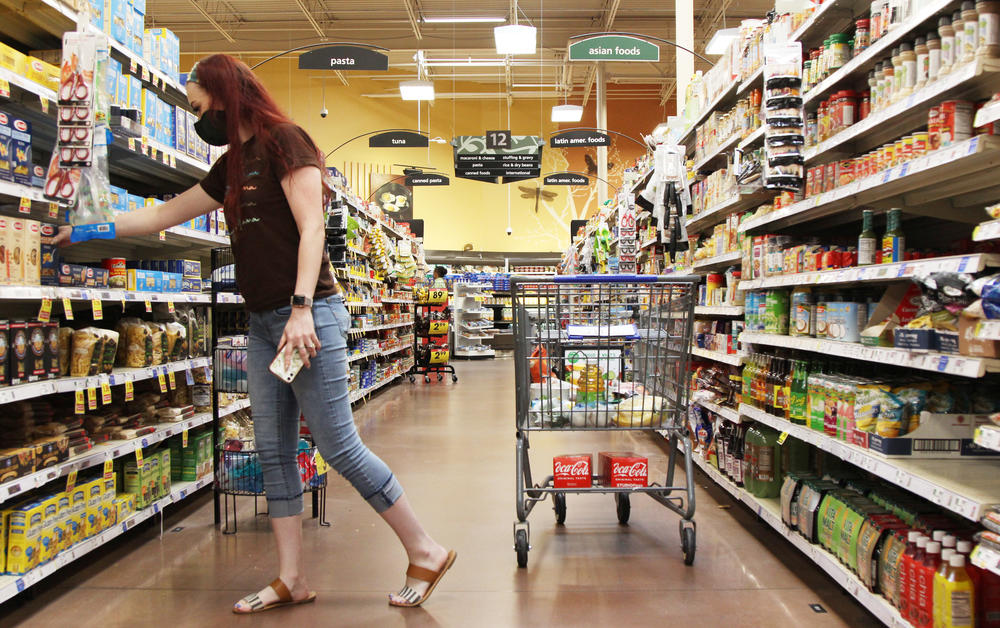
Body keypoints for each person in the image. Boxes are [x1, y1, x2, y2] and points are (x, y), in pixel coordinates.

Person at [55, 54, 454, 613]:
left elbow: (312, 227)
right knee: (274, 450)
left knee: (338, 445)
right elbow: (162, 215)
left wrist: (300, 308)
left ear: (225, 95)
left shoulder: (286, 141)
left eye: (199, 107)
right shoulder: (230, 164)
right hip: (266, 325)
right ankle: (292, 578)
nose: (199, 120)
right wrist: (85, 229)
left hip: (307, 318)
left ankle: (425, 548)